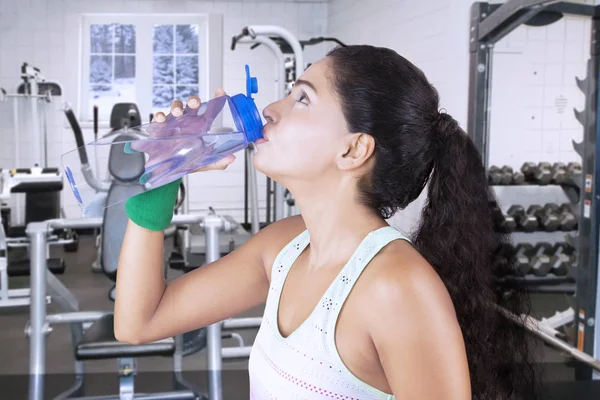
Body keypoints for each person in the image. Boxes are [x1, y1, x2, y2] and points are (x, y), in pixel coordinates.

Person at [115, 45, 537, 399]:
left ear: (353, 150)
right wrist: (162, 178)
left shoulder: (397, 287)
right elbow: (140, 323)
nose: (269, 110)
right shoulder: (284, 246)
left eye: (302, 98)